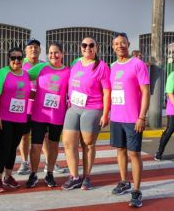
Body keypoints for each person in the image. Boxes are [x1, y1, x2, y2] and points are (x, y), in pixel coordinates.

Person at [61, 36, 111, 191]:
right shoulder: (76, 64)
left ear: (96, 48)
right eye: (84, 45)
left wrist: (105, 114)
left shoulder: (101, 66)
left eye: (91, 45)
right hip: (74, 107)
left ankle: (87, 176)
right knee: (69, 143)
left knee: (88, 143)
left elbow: (107, 92)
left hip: (92, 108)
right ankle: (74, 176)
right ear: (80, 47)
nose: (87, 48)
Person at [109, 33, 150, 208]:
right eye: (117, 43)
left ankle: (136, 190)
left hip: (133, 119)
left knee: (134, 154)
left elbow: (146, 92)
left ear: (128, 44)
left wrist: (141, 116)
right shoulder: (113, 66)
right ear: (113, 47)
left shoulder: (138, 64)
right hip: (116, 118)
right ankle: (124, 181)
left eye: (123, 43)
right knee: (120, 151)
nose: (120, 46)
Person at [18, 39, 67, 175]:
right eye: (30, 47)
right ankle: (24, 163)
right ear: (26, 50)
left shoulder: (44, 65)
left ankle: (49, 163)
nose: (33, 49)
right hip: (26, 107)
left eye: (36, 47)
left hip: (43, 109)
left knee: (46, 138)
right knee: (25, 136)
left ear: (40, 51)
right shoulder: (21, 65)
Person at [0, 47, 31, 193]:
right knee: (4, 147)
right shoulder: (2, 73)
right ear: (9, 59)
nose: (16, 60)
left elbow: (30, 93)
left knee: (13, 147)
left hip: (20, 118)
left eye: (19, 58)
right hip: (4, 118)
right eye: (13, 58)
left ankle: (8, 177)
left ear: (23, 60)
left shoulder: (26, 75)